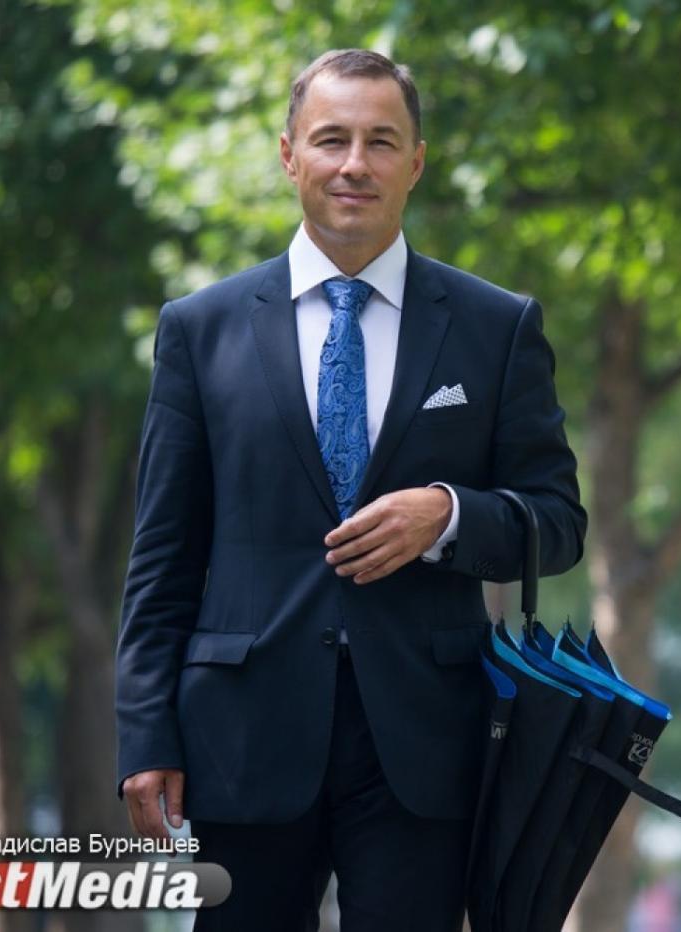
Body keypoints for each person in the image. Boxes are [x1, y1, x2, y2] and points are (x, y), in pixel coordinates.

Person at [114, 48, 587, 931]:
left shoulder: (497, 326)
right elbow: (162, 558)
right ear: (289, 153)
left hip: (426, 743)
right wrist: (146, 739)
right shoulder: (198, 330)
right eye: (332, 139)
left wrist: (449, 514)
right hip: (242, 742)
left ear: (417, 161)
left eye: (381, 141)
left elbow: (558, 523)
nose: (354, 164)